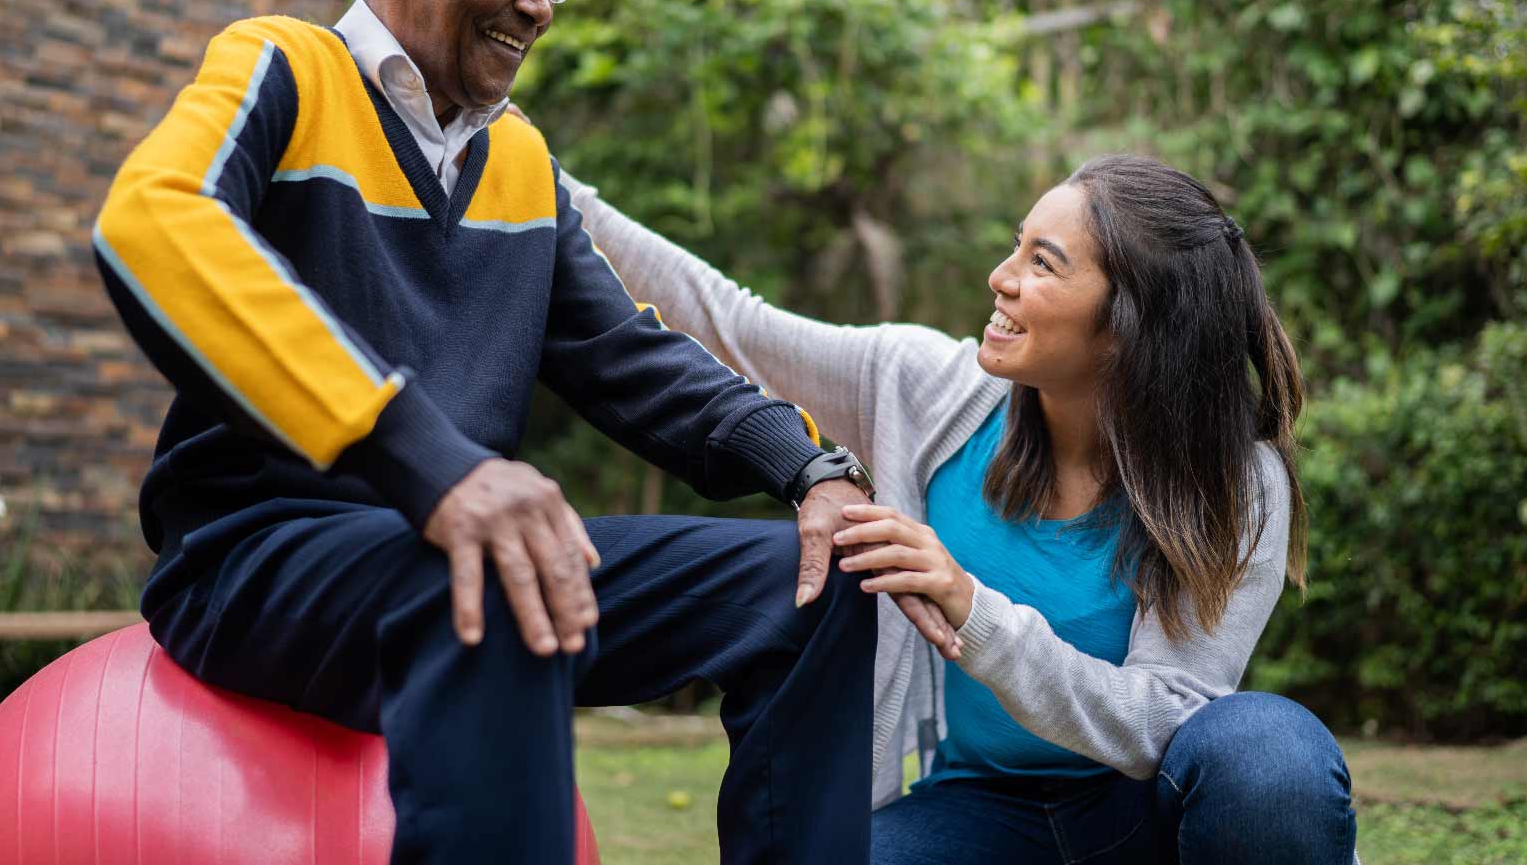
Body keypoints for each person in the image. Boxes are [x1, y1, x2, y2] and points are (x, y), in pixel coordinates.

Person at [92, 0, 907, 864]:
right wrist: (433, 465)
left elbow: (629, 356)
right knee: (496, 567)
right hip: (257, 556)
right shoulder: (284, 66)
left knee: (815, 582)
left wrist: (809, 468)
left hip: (457, 554)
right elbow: (153, 220)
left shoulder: (519, 160)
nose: (537, 2)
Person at [564, 154, 1359, 863]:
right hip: (978, 812)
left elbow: (1162, 720)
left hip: (1142, 815)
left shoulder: (1236, 479)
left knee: (1266, 754)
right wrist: (545, 184)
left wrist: (974, 611)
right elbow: (729, 323)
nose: (1001, 277)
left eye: (1042, 263)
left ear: (1126, 327)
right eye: (1017, 244)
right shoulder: (927, 388)